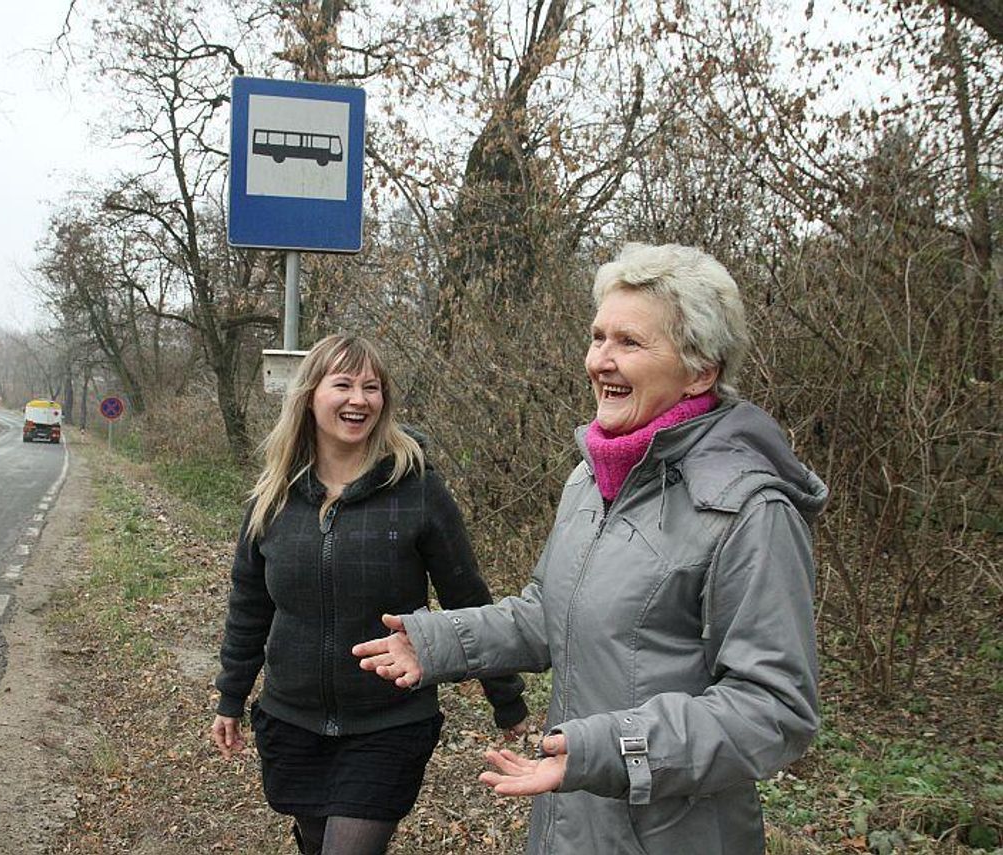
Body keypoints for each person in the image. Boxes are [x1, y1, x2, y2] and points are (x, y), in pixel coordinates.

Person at [354, 243, 828, 855]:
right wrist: (437, 640)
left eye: (629, 342)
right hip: (570, 821)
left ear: (700, 371)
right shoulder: (591, 479)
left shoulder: (749, 510)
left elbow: (773, 710)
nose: (600, 360)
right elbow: (550, 615)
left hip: (674, 836)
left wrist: (609, 750)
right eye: (598, 337)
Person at [211, 334, 528, 855]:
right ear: (310, 395)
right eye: (343, 385)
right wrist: (231, 696)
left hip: (390, 721)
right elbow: (249, 605)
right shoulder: (273, 497)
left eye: (372, 387)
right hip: (292, 720)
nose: (359, 399)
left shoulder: (416, 489)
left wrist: (506, 696)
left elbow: (467, 599)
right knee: (316, 842)